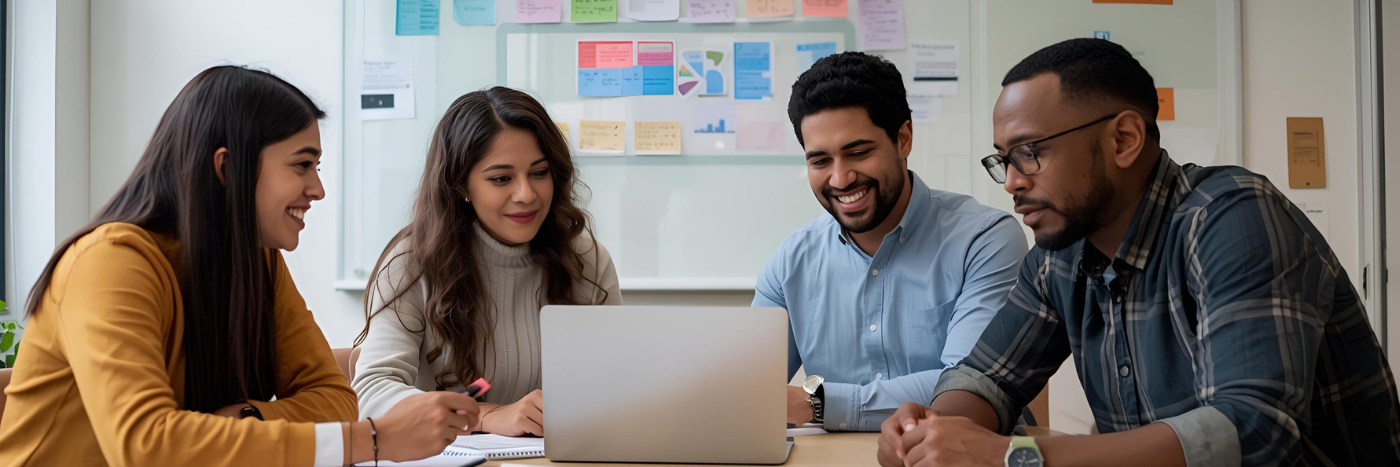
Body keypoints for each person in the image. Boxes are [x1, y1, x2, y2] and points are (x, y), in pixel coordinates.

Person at [879, 38, 1400, 467]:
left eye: (1029, 152)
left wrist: (1015, 456)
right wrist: (932, 430)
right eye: (1004, 160)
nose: (1012, 181)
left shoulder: (1233, 217)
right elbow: (989, 377)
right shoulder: (1060, 251)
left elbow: (1252, 431)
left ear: (1124, 139)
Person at [0, 66, 479, 467]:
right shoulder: (109, 262)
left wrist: (246, 418)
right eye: (301, 165)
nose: (318, 189)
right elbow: (145, 445)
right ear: (227, 169)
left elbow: (334, 396)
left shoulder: (257, 260)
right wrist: (372, 440)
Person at [754, 52, 1028, 432]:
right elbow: (750, 387)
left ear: (903, 139)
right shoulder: (791, 261)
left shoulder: (984, 240)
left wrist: (817, 403)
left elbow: (968, 385)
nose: (840, 178)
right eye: (819, 161)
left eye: (859, 153)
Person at [352, 86, 621, 437]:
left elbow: (621, 381)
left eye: (539, 173)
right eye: (501, 179)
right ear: (461, 184)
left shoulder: (587, 260)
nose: (526, 194)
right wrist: (482, 415)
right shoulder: (411, 263)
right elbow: (371, 393)